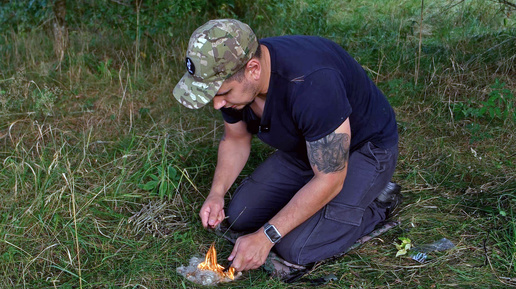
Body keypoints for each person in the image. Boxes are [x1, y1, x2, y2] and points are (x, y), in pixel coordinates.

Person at [173, 19, 401, 274]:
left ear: (253, 69)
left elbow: (331, 178)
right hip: (306, 147)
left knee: (296, 247)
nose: (217, 104)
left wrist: (265, 236)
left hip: (365, 150)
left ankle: (377, 200)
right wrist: (217, 193)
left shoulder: (312, 84)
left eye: (223, 92)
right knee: (239, 215)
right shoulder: (237, 81)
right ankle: (322, 200)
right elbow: (235, 139)